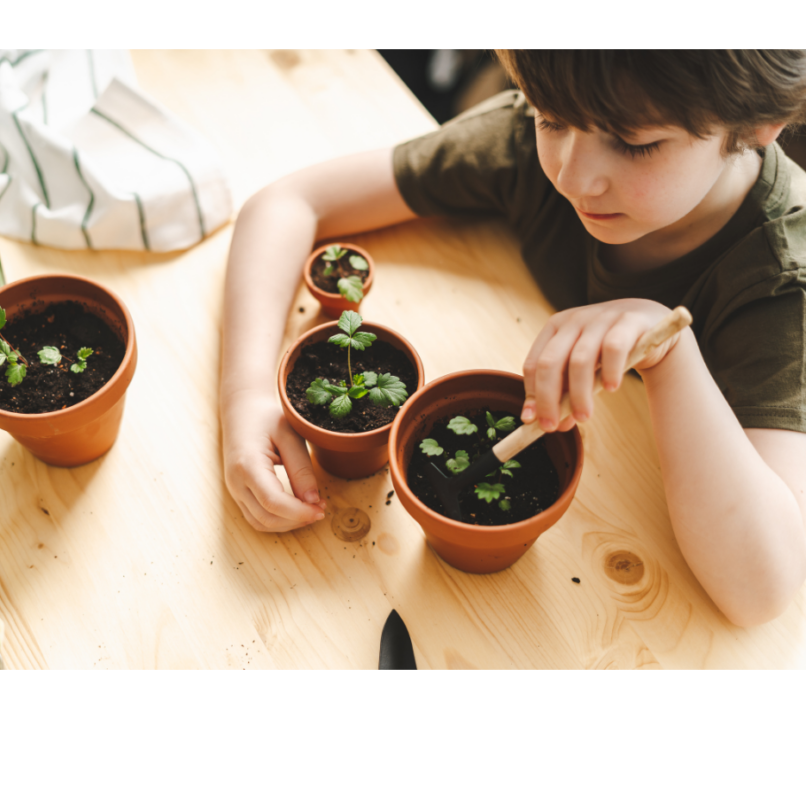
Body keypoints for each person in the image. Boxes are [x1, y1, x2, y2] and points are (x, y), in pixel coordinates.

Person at [221, 49, 806, 627]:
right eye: (550, 119)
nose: (573, 178)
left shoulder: (781, 277)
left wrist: (669, 350)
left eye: (634, 143)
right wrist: (246, 394)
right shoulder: (536, 135)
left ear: (757, 124)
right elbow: (288, 203)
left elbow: (759, 590)